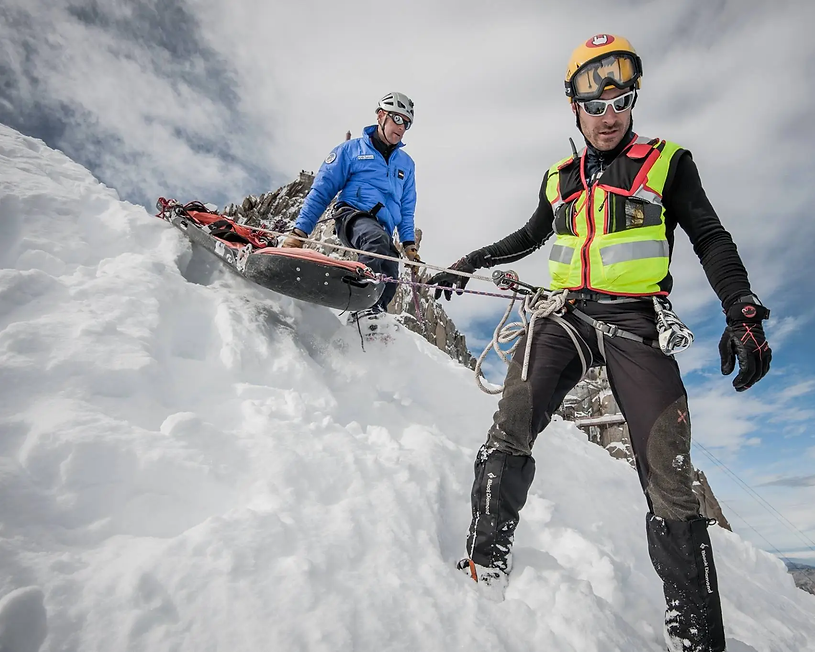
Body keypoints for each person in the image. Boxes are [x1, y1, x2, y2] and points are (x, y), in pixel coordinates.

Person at [429, 34, 772, 652]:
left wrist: (741, 308)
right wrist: (473, 260)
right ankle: (485, 561)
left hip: (636, 319)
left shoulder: (668, 162)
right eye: (596, 105)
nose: (609, 116)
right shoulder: (558, 178)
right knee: (513, 417)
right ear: (575, 108)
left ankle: (694, 638)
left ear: (631, 102)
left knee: (668, 473)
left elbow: (710, 237)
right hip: (564, 313)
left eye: (621, 102)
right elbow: (530, 235)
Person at [284, 92, 420, 323]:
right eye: (397, 119)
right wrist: (299, 233)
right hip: (353, 216)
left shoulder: (406, 164)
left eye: (406, 123)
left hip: (383, 228)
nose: (402, 127)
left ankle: (371, 322)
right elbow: (322, 190)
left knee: (390, 271)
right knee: (374, 242)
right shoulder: (351, 150)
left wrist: (409, 245)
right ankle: (358, 302)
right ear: (381, 116)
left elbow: (406, 208)